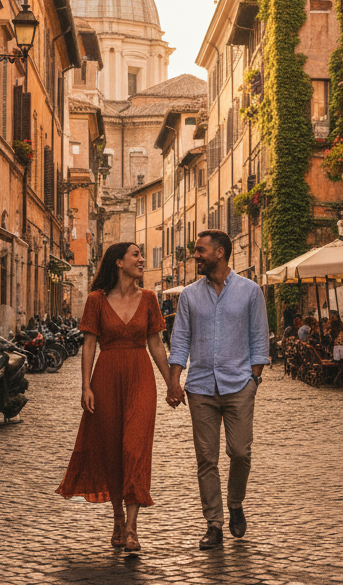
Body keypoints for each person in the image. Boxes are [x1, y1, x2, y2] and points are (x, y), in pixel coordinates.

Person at [56, 242, 184, 553]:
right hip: (106, 377)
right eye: (136, 255)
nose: (142, 260)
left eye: (142, 254)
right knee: (113, 449)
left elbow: (155, 344)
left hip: (141, 378)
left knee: (135, 448)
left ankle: (132, 527)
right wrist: (86, 386)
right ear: (118, 262)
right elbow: (89, 345)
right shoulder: (96, 300)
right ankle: (116, 517)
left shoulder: (150, 299)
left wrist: (171, 382)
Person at [168, 230, 270, 550]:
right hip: (200, 387)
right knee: (206, 460)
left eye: (200, 251)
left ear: (220, 253)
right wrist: (174, 380)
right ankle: (213, 524)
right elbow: (180, 340)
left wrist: (254, 379)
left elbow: (259, 339)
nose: (195, 255)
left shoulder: (250, 292)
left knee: (240, 452)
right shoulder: (189, 295)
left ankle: (235, 501)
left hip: (239, 384)